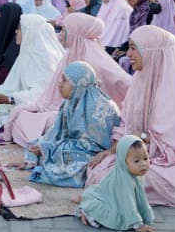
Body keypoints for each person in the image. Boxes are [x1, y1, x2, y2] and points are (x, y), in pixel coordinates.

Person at [82, 26, 175, 208]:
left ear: (151, 53)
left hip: (168, 165)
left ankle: (109, 194)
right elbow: (127, 127)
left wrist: (137, 137)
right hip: (140, 153)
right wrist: (111, 151)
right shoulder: (141, 80)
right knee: (100, 166)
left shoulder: (174, 92)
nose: (129, 54)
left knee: (126, 175)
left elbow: (173, 149)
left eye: (134, 48)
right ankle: (110, 191)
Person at [7, 13, 130, 143]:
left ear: (74, 32)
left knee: (50, 123)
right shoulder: (70, 54)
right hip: (63, 110)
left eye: (64, 30)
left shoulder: (95, 59)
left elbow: (125, 83)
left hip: (90, 119)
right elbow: (52, 98)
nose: (60, 36)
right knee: (20, 116)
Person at [22, 61, 120, 188]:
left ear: (78, 83)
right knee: (36, 143)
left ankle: (46, 164)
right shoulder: (70, 102)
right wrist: (46, 146)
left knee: (70, 157)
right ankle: (42, 160)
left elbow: (93, 147)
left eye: (65, 81)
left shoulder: (95, 106)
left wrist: (49, 149)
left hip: (95, 153)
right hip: (75, 146)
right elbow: (58, 133)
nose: (60, 84)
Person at [0, 14, 65, 127]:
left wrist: (9, 99)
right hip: (24, 101)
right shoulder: (26, 52)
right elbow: (11, 84)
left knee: (22, 119)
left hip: (43, 107)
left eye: (19, 28)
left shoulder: (45, 57)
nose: (16, 32)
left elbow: (42, 95)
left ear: (30, 31)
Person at [78, 134, 154, 232]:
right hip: (107, 197)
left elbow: (140, 197)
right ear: (124, 161)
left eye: (145, 158)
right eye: (136, 161)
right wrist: (138, 224)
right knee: (106, 214)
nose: (143, 164)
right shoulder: (125, 180)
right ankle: (86, 210)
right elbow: (128, 202)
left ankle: (84, 198)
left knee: (91, 195)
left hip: (111, 194)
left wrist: (146, 215)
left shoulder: (135, 174)